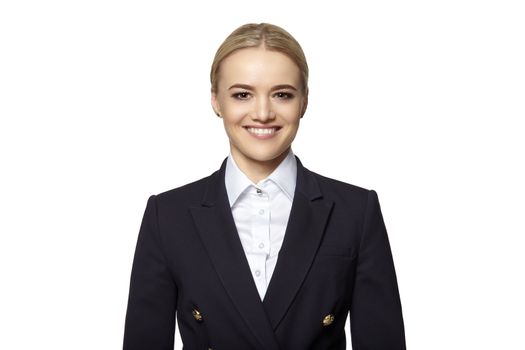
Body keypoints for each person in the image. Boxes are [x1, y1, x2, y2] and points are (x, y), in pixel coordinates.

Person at [123, 23, 406, 350]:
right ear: (216, 101)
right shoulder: (167, 215)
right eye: (242, 94)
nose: (262, 113)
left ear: (304, 102)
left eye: (282, 94)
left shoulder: (356, 212)